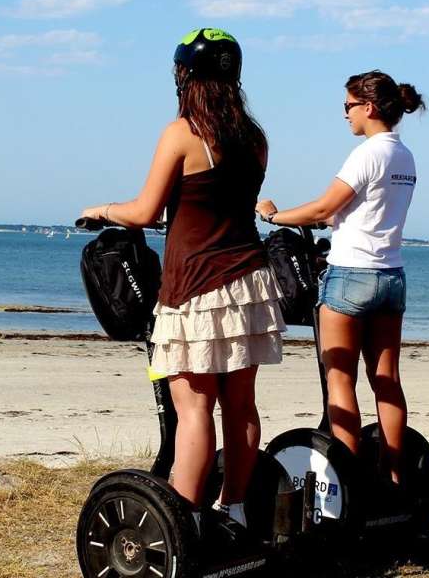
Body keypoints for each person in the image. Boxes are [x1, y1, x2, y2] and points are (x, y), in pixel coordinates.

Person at [80, 28, 284, 529]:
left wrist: (101, 209)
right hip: (252, 281)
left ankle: (184, 523)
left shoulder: (183, 133)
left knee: (193, 410)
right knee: (241, 407)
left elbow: (147, 210)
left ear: (186, 76)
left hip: (196, 286)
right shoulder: (254, 138)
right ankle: (234, 510)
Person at [256, 69, 425, 488]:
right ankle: (395, 477)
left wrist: (273, 216)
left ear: (368, 107)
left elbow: (321, 209)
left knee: (340, 379)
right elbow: (354, 211)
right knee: (387, 381)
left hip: (351, 274)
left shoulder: (368, 153)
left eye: (348, 107)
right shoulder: (404, 156)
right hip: (391, 275)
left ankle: (349, 487)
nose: (345, 115)